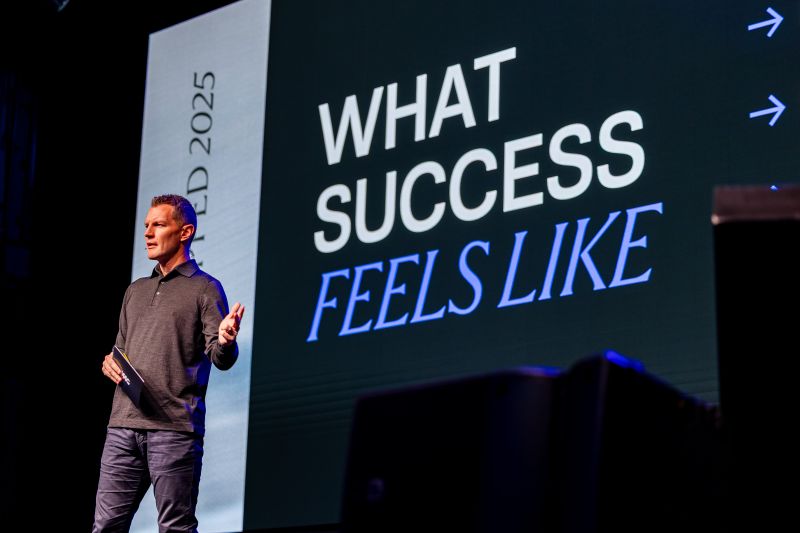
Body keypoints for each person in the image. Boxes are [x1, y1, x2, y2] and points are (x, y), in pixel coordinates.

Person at [92, 194, 244, 532]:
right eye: (147, 225)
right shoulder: (135, 291)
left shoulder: (205, 288)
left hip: (174, 430)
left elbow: (220, 358)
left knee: (175, 527)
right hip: (122, 428)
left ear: (185, 232)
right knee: (105, 527)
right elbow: (120, 350)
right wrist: (110, 362)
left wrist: (225, 341)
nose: (148, 233)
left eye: (158, 225)